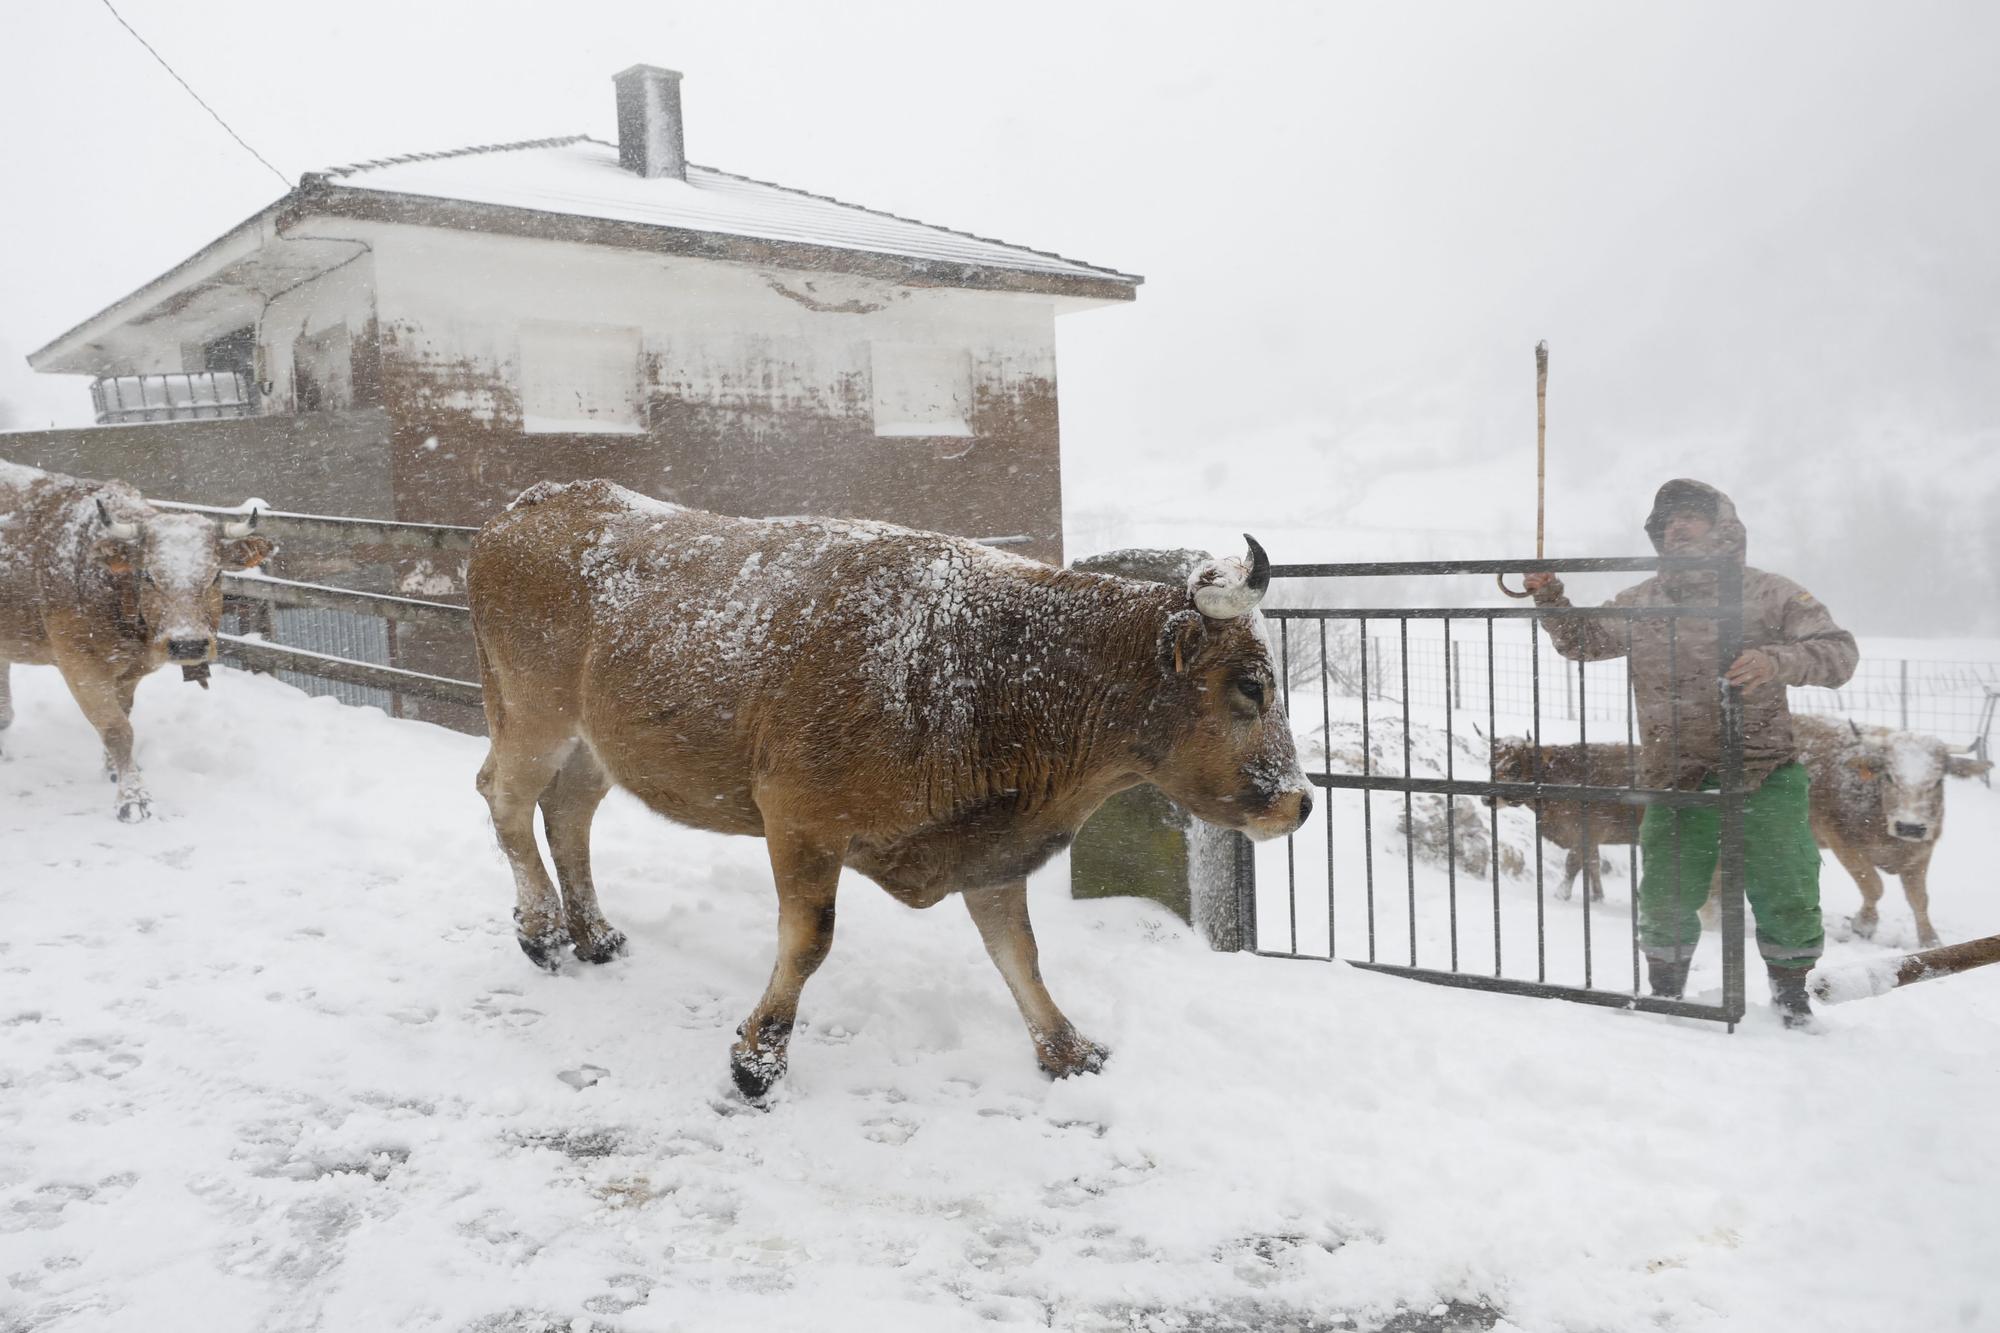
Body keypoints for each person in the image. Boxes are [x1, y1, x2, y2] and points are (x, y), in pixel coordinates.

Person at [1521, 479, 1858, 1028]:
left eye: (1689, 518)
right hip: (1676, 777)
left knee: (1787, 888)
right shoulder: (1642, 602)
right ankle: (1666, 998)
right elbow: (1582, 641)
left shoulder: (1771, 593)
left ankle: (1792, 999)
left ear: (1723, 528)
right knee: (1665, 894)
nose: (1676, 527)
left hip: (1763, 771)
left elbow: (1840, 654)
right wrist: (1549, 596)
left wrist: (1777, 662)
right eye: (1666, 522)